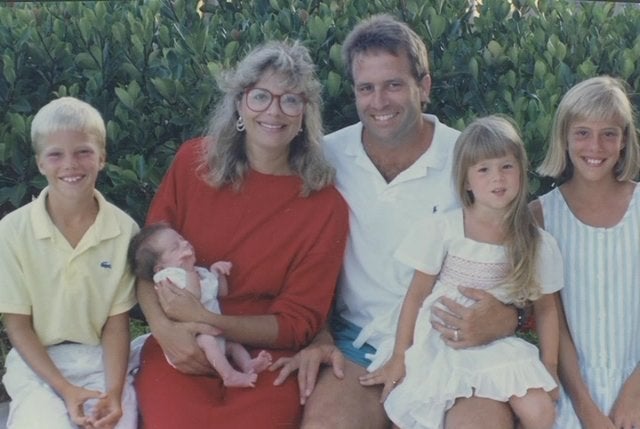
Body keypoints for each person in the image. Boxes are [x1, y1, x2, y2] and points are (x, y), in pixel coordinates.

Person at [271, 14, 524, 429]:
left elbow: (520, 253)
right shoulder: (326, 158)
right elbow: (294, 257)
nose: (379, 101)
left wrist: (510, 315)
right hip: (359, 343)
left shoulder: (469, 157)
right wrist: (319, 334)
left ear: (423, 87)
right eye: (365, 88)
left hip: (455, 341)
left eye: (393, 84)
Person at [133, 40, 349, 428]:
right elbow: (146, 264)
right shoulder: (191, 164)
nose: (274, 111)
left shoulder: (324, 205)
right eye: (261, 96)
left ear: (305, 115)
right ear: (239, 104)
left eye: (291, 101)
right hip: (181, 348)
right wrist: (165, 331)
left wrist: (208, 319)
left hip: (269, 358)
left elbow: (298, 321)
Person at [359, 115, 562, 429]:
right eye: (484, 169)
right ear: (466, 181)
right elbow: (416, 296)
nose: (498, 178)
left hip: (494, 343)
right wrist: (401, 355)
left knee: (541, 412)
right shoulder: (446, 229)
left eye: (507, 166)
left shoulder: (536, 242)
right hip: (442, 342)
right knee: (420, 410)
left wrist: (549, 366)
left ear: (522, 170)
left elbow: (547, 309)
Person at [0, 96, 139, 428]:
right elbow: (17, 324)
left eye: (83, 152)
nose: (70, 164)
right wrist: (65, 389)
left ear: (102, 157)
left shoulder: (124, 230)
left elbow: (116, 325)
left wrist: (114, 394)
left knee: (115, 422)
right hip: (38, 364)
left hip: (100, 361)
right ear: (40, 163)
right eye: (55, 154)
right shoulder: (12, 231)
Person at [530, 75, 640, 429]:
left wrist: (634, 393)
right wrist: (586, 409)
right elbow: (552, 320)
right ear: (564, 136)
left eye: (609, 133)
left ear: (624, 140)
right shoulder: (540, 216)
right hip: (574, 398)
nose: (596, 146)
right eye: (582, 132)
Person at [128, 223, 273, 387]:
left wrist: (217, 273)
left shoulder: (198, 272)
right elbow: (191, 299)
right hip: (191, 339)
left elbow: (220, 293)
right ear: (159, 267)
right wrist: (189, 270)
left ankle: (248, 365)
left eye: (181, 239)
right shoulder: (168, 277)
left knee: (233, 345)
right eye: (175, 247)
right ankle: (229, 375)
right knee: (208, 341)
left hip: (214, 332)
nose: (185, 244)